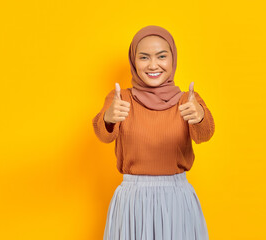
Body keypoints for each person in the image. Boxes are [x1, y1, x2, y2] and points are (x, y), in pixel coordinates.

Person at [92, 25, 215, 240]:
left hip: (176, 199)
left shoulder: (188, 100)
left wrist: (200, 116)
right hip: (132, 201)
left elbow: (204, 134)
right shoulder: (121, 99)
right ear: (134, 61)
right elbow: (103, 134)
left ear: (172, 58)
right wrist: (108, 118)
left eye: (161, 56)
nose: (153, 65)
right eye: (144, 57)